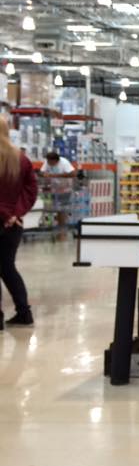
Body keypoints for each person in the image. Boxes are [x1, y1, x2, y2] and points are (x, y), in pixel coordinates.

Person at [0, 118, 38, 328]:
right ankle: (24, 313)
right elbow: (31, 190)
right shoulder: (20, 158)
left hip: (6, 219)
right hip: (14, 225)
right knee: (8, 268)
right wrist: (15, 213)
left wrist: (5, 214)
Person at [38, 150, 77, 236]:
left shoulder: (64, 162)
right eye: (48, 161)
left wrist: (55, 175)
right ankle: (50, 226)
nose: (48, 163)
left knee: (62, 209)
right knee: (49, 209)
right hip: (53, 190)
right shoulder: (47, 162)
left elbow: (73, 174)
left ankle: (62, 229)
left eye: (50, 162)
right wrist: (43, 174)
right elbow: (41, 171)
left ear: (56, 160)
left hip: (64, 189)